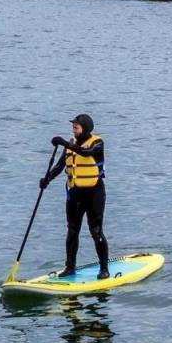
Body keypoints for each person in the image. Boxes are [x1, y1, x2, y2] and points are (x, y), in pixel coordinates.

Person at [40, 113, 108, 279]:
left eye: (76, 126)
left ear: (86, 128)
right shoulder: (70, 145)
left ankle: (104, 268)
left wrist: (64, 143)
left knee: (96, 231)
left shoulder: (97, 143)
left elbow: (86, 153)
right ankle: (70, 267)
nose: (73, 128)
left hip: (94, 193)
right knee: (72, 231)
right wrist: (47, 179)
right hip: (74, 194)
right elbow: (59, 165)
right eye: (73, 126)